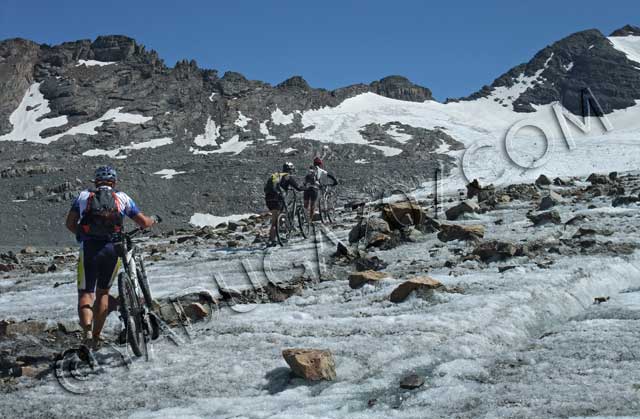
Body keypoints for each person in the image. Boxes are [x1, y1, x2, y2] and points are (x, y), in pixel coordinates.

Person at [65, 165, 157, 350]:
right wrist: (153, 219)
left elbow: (70, 223)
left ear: (96, 182)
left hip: (90, 249)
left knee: (86, 294)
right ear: (114, 182)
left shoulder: (83, 197)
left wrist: (81, 235)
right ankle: (97, 337)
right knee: (103, 293)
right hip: (112, 249)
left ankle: (87, 334)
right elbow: (143, 222)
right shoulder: (122, 198)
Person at [264, 162, 306, 246]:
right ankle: (273, 240)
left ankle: (275, 236)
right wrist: (306, 188)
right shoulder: (287, 176)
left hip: (268, 198)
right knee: (276, 221)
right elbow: (298, 187)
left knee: (276, 218)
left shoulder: (276, 175)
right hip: (277, 198)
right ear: (290, 170)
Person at [303, 157, 338, 221]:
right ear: (320, 164)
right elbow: (329, 175)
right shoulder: (320, 170)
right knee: (313, 205)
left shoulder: (309, 169)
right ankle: (310, 220)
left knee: (306, 204)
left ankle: (304, 218)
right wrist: (335, 181)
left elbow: (305, 180)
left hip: (306, 189)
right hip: (314, 189)